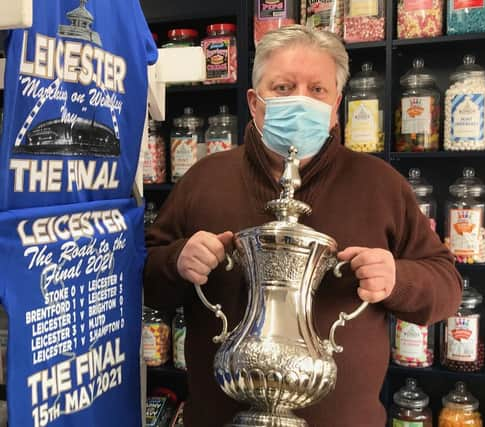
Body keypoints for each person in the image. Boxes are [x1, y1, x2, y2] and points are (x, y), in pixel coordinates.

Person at [144, 25, 462, 427]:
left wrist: (397, 278)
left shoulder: (380, 185)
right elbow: (145, 275)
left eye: (317, 90)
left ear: (335, 108)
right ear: (254, 103)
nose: (300, 101)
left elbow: (447, 287)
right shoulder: (204, 178)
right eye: (282, 87)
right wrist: (176, 261)